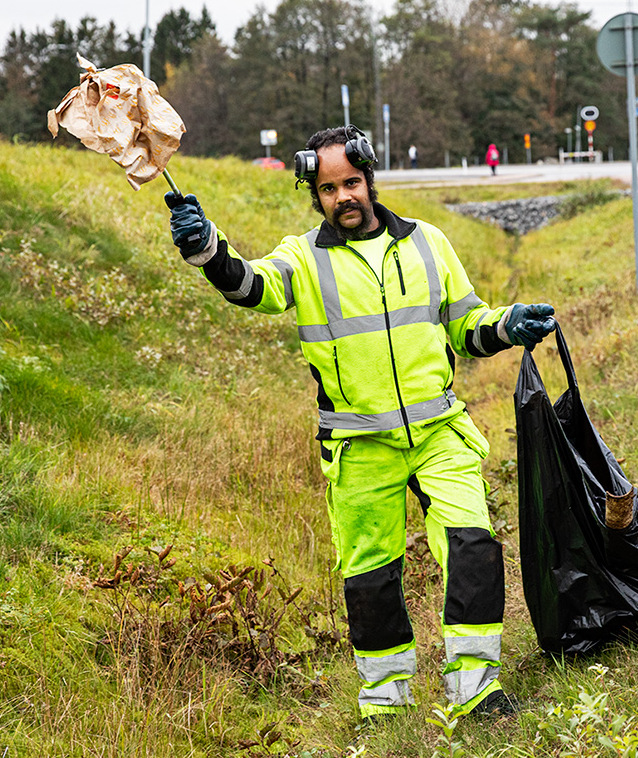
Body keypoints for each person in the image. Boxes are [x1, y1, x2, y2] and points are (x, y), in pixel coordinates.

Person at [163, 125, 557, 722]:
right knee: (370, 577)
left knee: (473, 547)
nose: (343, 196)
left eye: (350, 182)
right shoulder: (303, 257)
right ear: (314, 195)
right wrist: (206, 248)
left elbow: (466, 323)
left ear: (369, 179)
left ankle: (476, 692)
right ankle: (385, 703)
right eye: (327, 188)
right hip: (357, 446)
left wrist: (509, 324)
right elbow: (249, 286)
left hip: (439, 432)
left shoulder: (429, 244)